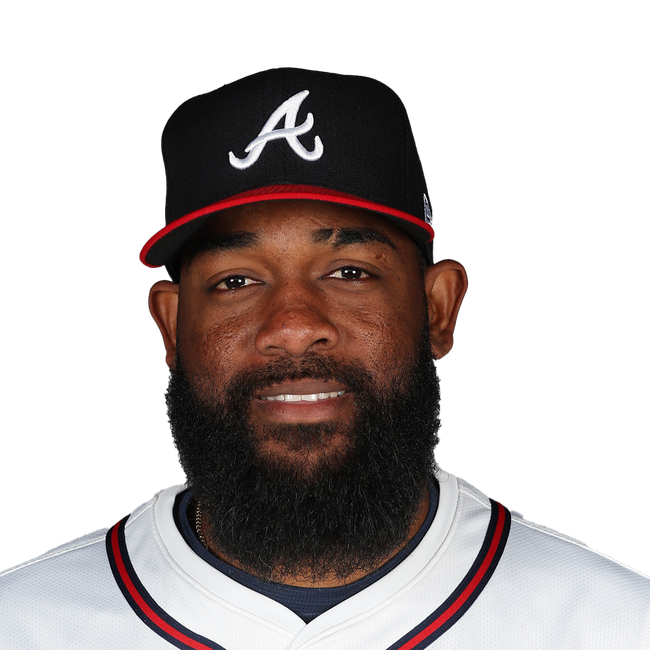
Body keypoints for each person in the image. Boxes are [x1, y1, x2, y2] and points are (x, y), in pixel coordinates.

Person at [1, 67, 648, 650]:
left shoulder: (617, 625)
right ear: (171, 325)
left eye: (348, 271)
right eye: (236, 281)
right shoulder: (23, 624)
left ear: (438, 308)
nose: (293, 328)